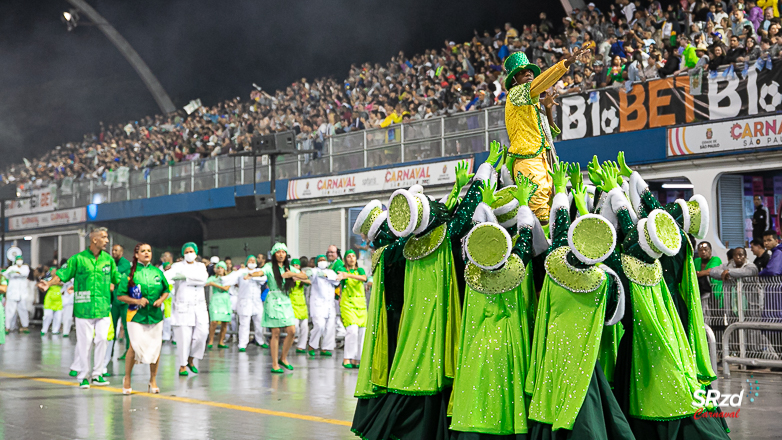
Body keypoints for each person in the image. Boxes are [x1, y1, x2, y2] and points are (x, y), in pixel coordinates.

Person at [503, 47, 588, 221]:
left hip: (542, 159)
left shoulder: (530, 103)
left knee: (550, 210)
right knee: (538, 215)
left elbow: (551, 134)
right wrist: (566, 63)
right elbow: (539, 84)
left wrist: (547, 110)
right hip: (528, 160)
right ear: (514, 80)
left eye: (529, 71)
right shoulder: (515, 94)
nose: (528, 74)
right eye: (522, 73)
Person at [44, 227, 121, 388]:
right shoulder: (78, 259)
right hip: (83, 308)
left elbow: (117, 278)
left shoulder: (108, 260)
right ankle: (83, 375)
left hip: (103, 307)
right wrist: (48, 283)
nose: (107, 241)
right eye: (104, 237)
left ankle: (97, 374)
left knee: (102, 340)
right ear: (94, 240)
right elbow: (62, 275)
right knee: (85, 343)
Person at [116, 243, 170, 394]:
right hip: (135, 316)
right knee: (134, 347)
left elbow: (166, 290)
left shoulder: (157, 272)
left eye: (149, 251)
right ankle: (127, 378)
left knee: (156, 347)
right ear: (136, 254)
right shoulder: (129, 273)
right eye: (143, 251)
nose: (146, 253)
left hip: (155, 316)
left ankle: (152, 379)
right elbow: (120, 295)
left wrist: (161, 300)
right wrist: (137, 301)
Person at [259, 243, 309, 373]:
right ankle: (275, 363)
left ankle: (283, 358)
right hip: (273, 300)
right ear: (274, 254)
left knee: (292, 331)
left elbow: (304, 276)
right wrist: (251, 274)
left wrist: (291, 274)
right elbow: (261, 272)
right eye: (278, 252)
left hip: (285, 300)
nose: (281, 254)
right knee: (275, 333)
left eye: (283, 252)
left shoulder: (289, 268)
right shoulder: (269, 266)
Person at [165, 242, 209, 376]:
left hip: (199, 306)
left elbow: (203, 279)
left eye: (191, 251)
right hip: (183, 305)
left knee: (202, 334)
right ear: (183, 254)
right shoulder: (177, 266)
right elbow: (167, 277)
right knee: (184, 337)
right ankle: (183, 365)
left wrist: (185, 277)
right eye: (186, 252)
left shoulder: (201, 266)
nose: (189, 254)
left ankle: (191, 359)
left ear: (196, 253)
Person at [221, 255, 268, 352]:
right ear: (246, 262)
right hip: (244, 301)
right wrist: (221, 279)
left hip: (256, 302)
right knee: (244, 324)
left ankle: (260, 341)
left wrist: (251, 276)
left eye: (253, 260)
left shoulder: (259, 271)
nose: (252, 261)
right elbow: (230, 279)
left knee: (259, 322)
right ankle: (242, 344)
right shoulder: (241, 272)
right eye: (250, 260)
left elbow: (263, 279)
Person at [307, 255, 341, 356]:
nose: (323, 262)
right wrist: (307, 273)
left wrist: (326, 275)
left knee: (330, 327)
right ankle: (312, 345)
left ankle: (325, 348)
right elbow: (309, 275)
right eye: (320, 260)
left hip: (330, 304)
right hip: (317, 304)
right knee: (319, 325)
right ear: (317, 262)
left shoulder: (330, 272)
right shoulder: (314, 271)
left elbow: (336, 280)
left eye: (324, 260)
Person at [339, 250, 367, 369]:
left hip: (361, 305)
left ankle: (357, 359)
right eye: (349, 256)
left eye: (353, 256)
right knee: (352, 330)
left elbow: (364, 278)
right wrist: (343, 275)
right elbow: (337, 275)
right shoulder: (342, 270)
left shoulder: (359, 271)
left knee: (362, 332)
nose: (351, 258)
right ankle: (347, 358)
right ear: (345, 259)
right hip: (348, 304)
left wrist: (348, 275)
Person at [206, 262, 231, 349]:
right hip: (216, 300)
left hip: (225, 300)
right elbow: (205, 283)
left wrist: (214, 284)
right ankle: (211, 340)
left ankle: (221, 341)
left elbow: (226, 288)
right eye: (218, 268)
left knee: (224, 322)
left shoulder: (228, 278)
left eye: (222, 268)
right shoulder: (212, 278)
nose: (220, 270)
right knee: (214, 321)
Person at [4, 255, 31, 333]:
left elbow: (24, 273)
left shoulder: (25, 268)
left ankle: (25, 326)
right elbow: (5, 274)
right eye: (18, 259)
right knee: (9, 311)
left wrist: (15, 272)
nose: (19, 261)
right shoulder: (11, 268)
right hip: (12, 293)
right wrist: (12, 272)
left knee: (23, 310)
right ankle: (7, 327)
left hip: (22, 294)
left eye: (20, 259)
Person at [289, 259, 311, 353]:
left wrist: (299, 277)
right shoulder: (288, 277)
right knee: (295, 326)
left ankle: (301, 346)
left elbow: (309, 282)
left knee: (305, 327)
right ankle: (291, 341)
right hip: (292, 304)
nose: (295, 267)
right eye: (293, 265)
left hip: (302, 304)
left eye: (297, 265)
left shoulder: (303, 277)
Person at [40, 267, 64, 336]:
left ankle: (55, 330)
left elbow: (62, 283)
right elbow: (44, 284)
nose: (54, 272)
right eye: (52, 271)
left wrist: (54, 283)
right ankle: (44, 330)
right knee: (47, 316)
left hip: (58, 300)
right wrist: (53, 283)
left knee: (58, 317)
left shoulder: (61, 279)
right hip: (49, 300)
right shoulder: (47, 279)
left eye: (55, 271)